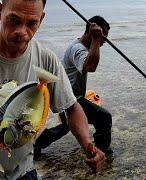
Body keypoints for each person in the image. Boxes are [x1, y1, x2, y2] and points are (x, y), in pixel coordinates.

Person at [0, 0, 104, 179]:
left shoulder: (46, 60)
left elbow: (71, 107)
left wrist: (87, 144)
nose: (22, 32)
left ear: (41, 19)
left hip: (22, 172)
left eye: (32, 23)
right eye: (14, 20)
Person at [34, 16, 113, 157]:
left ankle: (36, 146)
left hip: (68, 96)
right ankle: (101, 152)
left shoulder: (80, 47)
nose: (104, 41)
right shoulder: (78, 49)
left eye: (105, 37)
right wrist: (96, 39)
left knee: (67, 126)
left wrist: (96, 40)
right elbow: (90, 66)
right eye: (103, 36)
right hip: (70, 98)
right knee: (104, 117)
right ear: (91, 31)